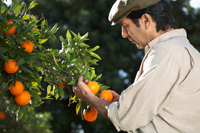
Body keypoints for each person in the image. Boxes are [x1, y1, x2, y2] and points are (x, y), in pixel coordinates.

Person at [73, 0, 200, 132]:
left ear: (145, 20)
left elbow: (124, 118)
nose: (124, 34)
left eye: (126, 26)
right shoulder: (182, 50)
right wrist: (127, 103)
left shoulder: (166, 53)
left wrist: (90, 98)